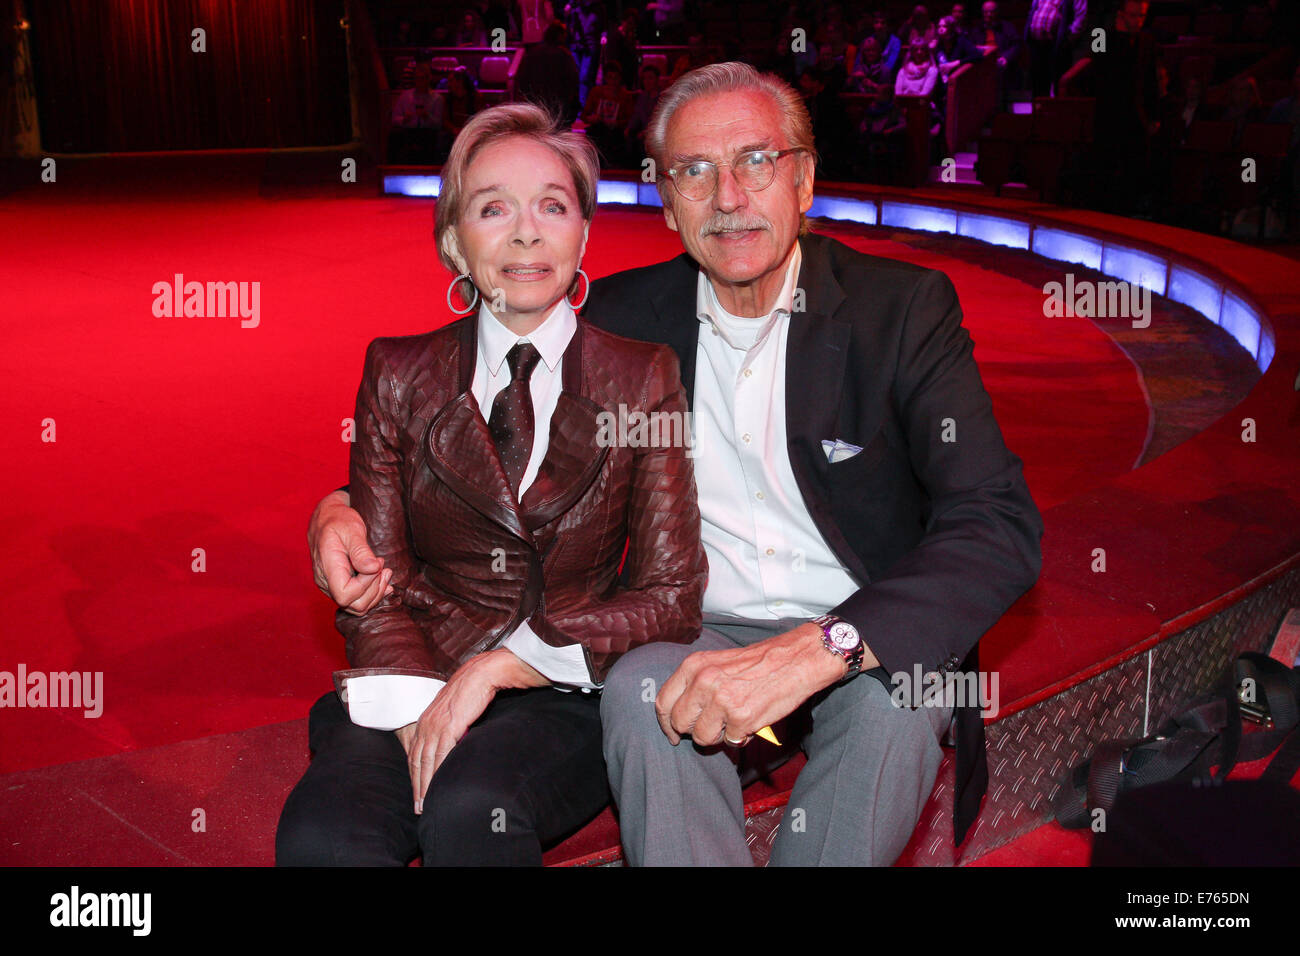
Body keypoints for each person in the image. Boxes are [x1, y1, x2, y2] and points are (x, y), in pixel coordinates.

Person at [309, 62, 1042, 866]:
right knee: (642, 689)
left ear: (802, 180)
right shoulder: (628, 323)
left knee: (901, 701)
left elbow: (996, 523)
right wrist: (341, 504)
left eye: (756, 161)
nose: (728, 197)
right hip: (698, 627)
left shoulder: (898, 311)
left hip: (860, 623)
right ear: (665, 200)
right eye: (695, 171)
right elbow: (484, 405)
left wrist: (820, 647)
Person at [277, 102, 707, 866]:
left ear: (583, 232)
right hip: (411, 666)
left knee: (476, 812)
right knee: (322, 837)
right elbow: (377, 579)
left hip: (561, 683)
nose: (525, 231)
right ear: (452, 240)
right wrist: (416, 708)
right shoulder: (398, 373)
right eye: (492, 207)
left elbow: (671, 595)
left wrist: (508, 664)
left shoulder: (644, 379)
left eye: (552, 205)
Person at [389, 62, 447, 165]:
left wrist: (427, 116)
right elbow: (394, 119)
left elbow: (439, 124)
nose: (420, 82)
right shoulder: (405, 96)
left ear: (429, 79)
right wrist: (404, 119)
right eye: (417, 78)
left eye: (423, 78)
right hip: (408, 132)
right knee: (396, 140)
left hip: (429, 134)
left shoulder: (437, 99)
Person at [1025, 0, 1086, 97]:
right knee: (1038, 85)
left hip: (1057, 45)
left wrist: (1068, 38)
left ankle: (1057, 111)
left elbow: (1081, 17)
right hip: (1036, 44)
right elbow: (1034, 9)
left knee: (1059, 83)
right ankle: (1039, 110)